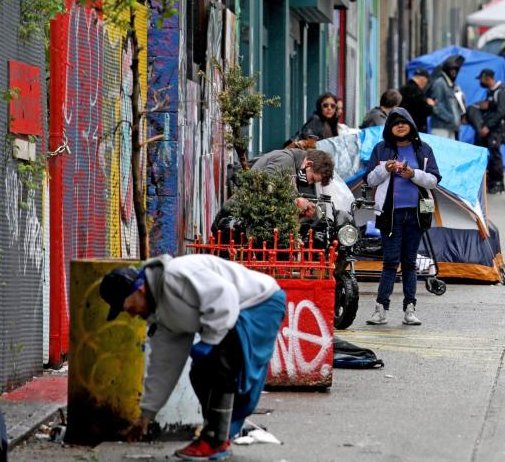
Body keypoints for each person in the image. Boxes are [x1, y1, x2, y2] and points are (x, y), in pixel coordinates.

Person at [99, 254, 286, 460]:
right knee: (199, 372)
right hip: (235, 312)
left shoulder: (176, 275)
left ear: (140, 289)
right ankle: (216, 436)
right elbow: (163, 367)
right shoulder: (163, 318)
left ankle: (215, 440)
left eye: (127, 307)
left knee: (221, 363)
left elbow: (225, 296)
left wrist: (209, 341)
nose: (131, 314)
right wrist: (146, 415)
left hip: (260, 303)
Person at [364, 108, 441, 326]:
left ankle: (410, 309)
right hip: (390, 215)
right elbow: (370, 180)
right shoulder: (381, 149)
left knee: (409, 262)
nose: (400, 126)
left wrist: (413, 174)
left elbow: (434, 180)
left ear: (411, 125)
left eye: (403, 122)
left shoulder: (423, 149)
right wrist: (385, 170)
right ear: (389, 127)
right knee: (390, 261)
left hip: (416, 214)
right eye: (395, 122)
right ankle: (381, 310)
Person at [212, 148, 334, 236]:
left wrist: (301, 210)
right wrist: (295, 202)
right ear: (308, 164)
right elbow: (265, 190)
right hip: (232, 222)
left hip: (242, 221)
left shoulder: (292, 167)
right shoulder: (285, 160)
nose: (309, 183)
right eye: (312, 178)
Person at [468, 69, 505, 194]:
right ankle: (490, 182)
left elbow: (501, 112)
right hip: (489, 129)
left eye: (481, 79)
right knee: (488, 155)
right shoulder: (490, 92)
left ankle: (499, 183)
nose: (480, 82)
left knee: (495, 155)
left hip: (496, 130)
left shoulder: (501, 91)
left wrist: (488, 126)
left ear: (487, 78)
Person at [429, 55, 465, 139]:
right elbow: (436, 106)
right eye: (451, 70)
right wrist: (450, 118)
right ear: (446, 70)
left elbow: (456, 106)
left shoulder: (454, 86)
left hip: (451, 127)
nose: (454, 72)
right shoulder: (440, 83)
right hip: (440, 127)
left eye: (456, 70)